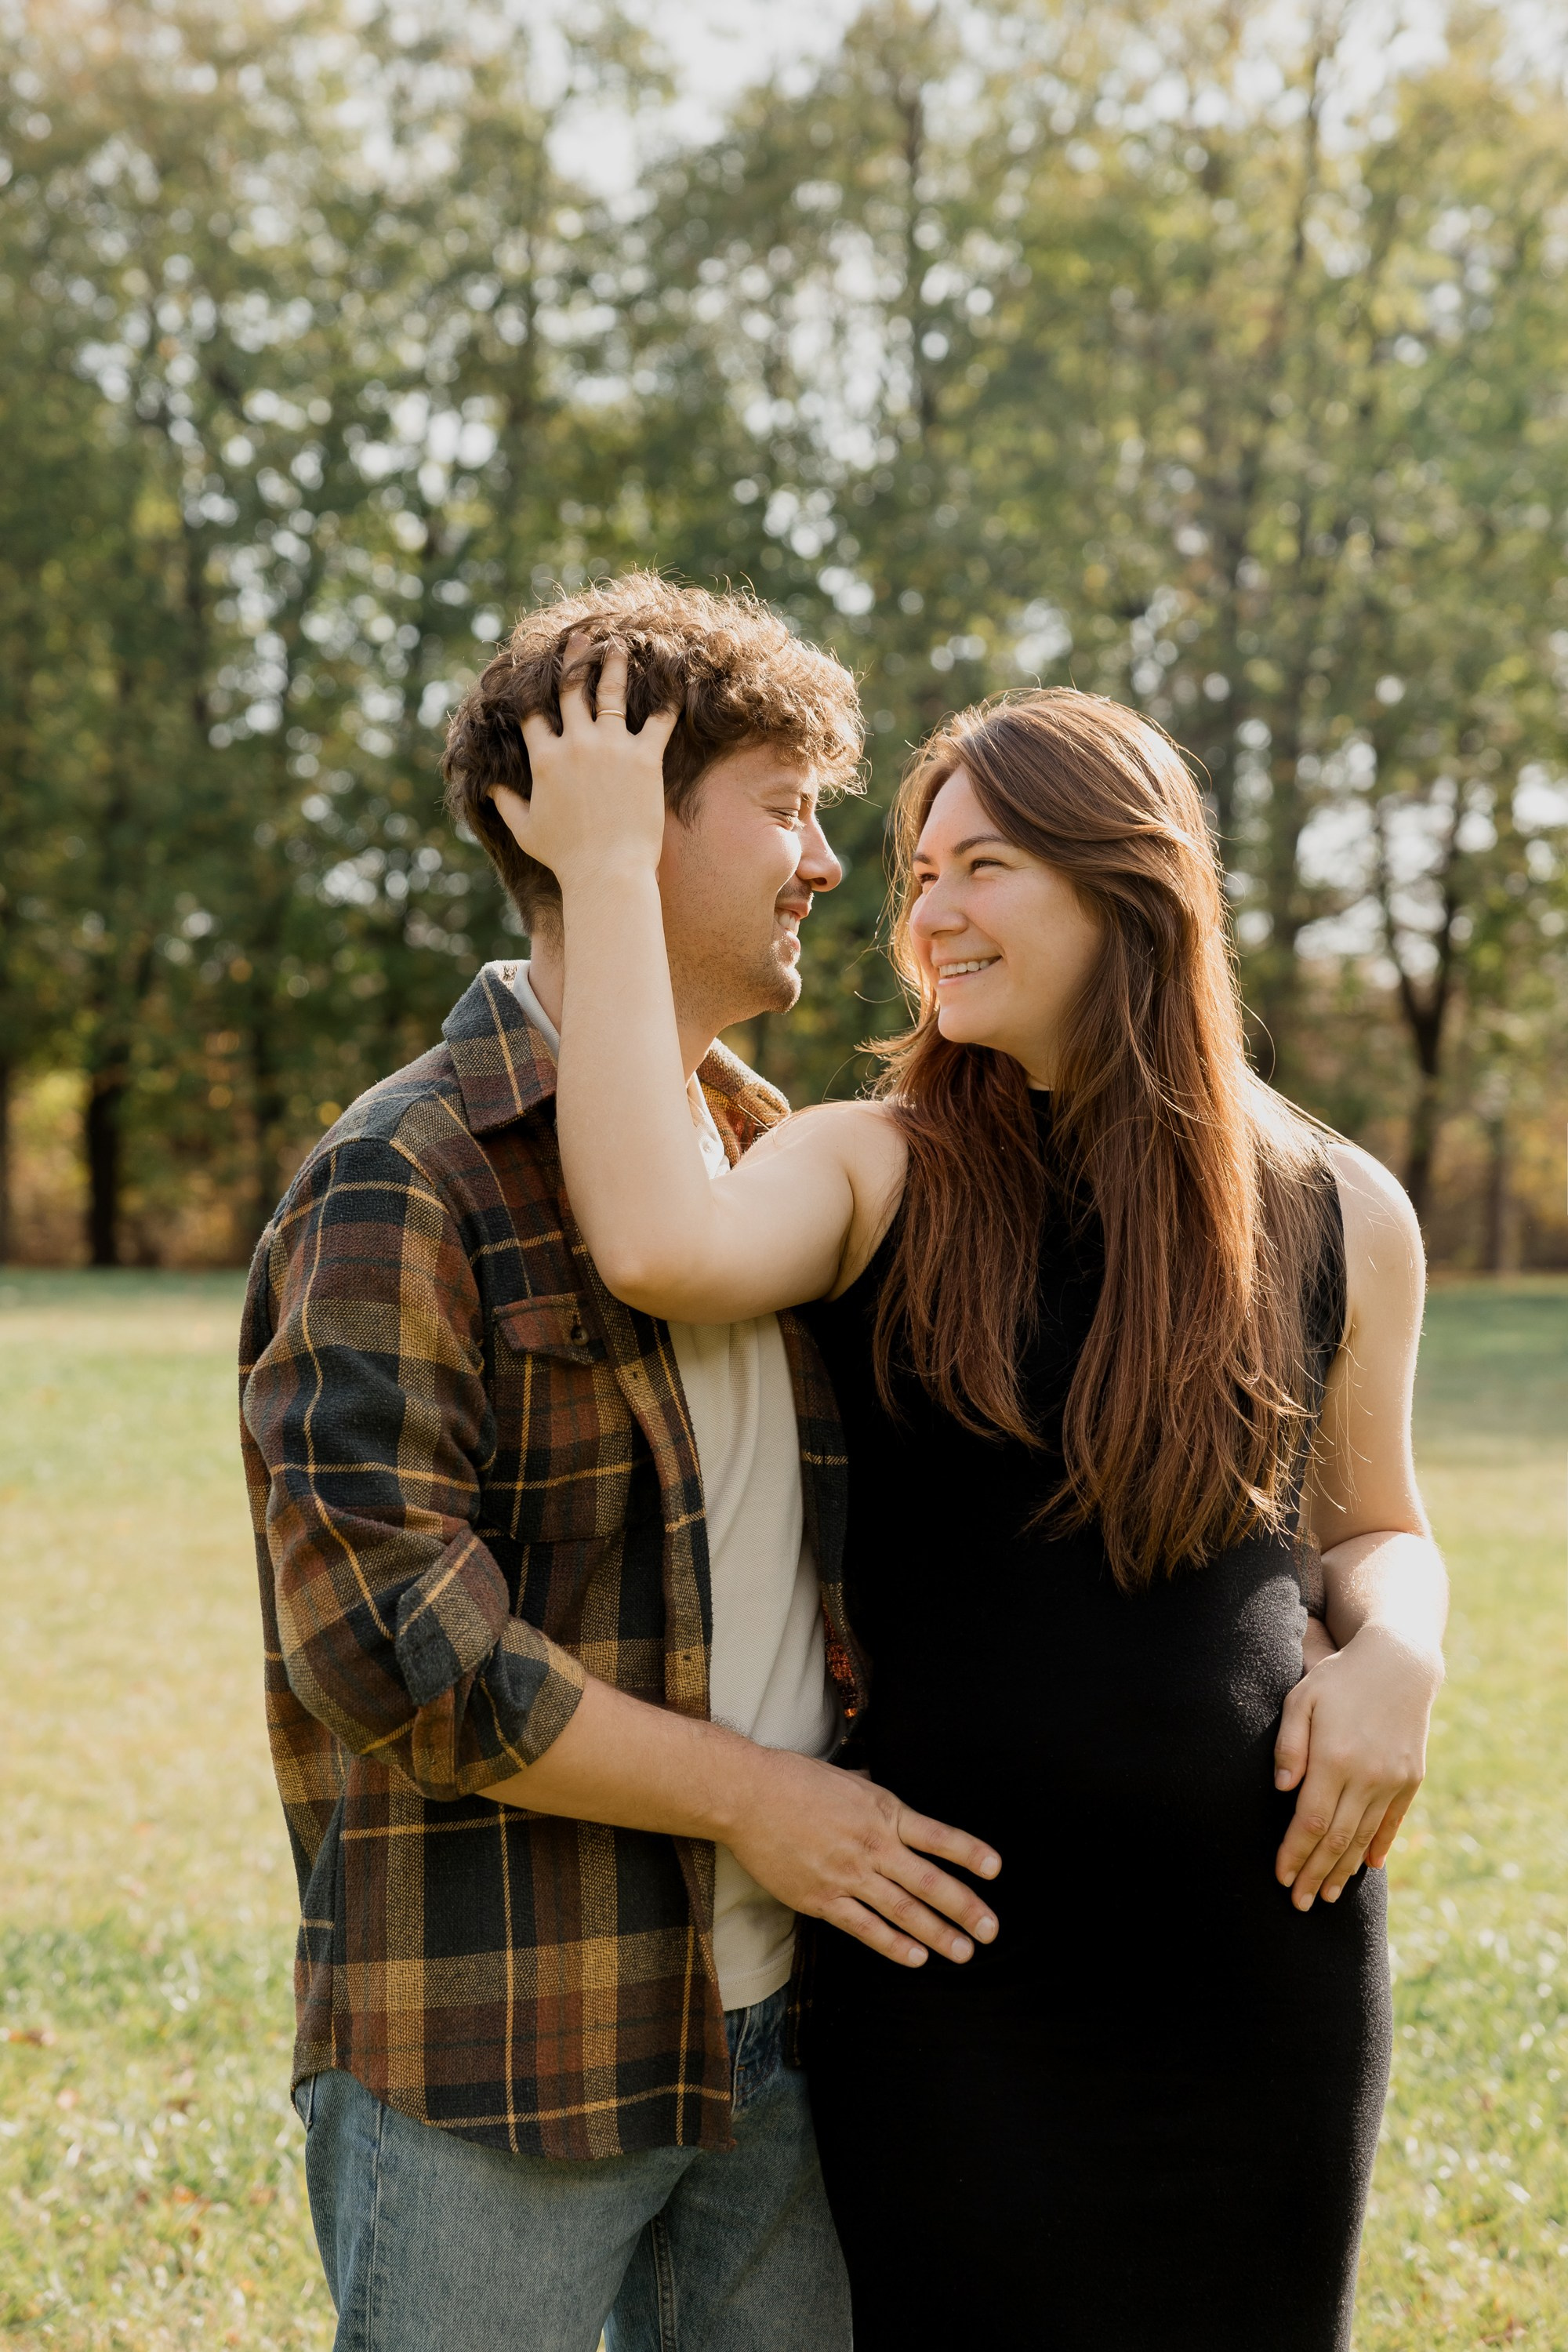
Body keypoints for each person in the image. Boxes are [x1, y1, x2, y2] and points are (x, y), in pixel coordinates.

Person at [497, 659, 1449, 2352]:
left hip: (1262, 1953)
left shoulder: (1338, 1204)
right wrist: (609, 862)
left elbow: (1372, 1526)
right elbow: (654, 1240)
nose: (927, 912)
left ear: (1127, 886)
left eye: (982, 866)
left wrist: (1404, 1655)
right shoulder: (873, 1163)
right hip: (951, 1960)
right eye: (920, 874)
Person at [238, 574, 1006, 2352]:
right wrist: (758, 1802)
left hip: (797, 2031)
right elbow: (394, 1647)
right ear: (618, 821)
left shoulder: (773, 1158)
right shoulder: (405, 1173)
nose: (827, 865)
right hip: (505, 2045)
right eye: (785, 807)